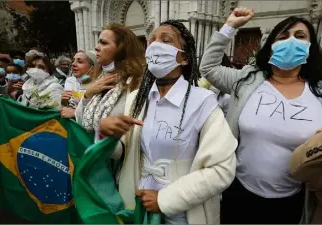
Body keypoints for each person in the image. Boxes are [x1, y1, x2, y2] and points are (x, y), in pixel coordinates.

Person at [200, 8, 322, 224]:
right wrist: (230, 27)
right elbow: (208, 68)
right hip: (238, 193)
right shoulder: (247, 80)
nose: (291, 41)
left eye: (300, 36)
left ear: (310, 48)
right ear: (271, 45)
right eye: (283, 36)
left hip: (293, 201)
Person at [99, 20, 237, 224]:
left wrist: (164, 200)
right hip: (138, 206)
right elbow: (124, 153)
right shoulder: (136, 99)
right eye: (152, 40)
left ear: (184, 58)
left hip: (183, 214)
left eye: (166, 40)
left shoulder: (202, 102)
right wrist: (106, 134)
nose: (155, 45)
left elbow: (221, 169)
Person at [75, 23, 145, 143]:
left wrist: (103, 131)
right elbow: (80, 122)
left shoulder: (135, 83)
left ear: (121, 49)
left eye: (104, 43)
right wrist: (88, 94)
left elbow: (131, 135)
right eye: (98, 42)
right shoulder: (97, 81)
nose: (96, 47)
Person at [61, 50, 98, 118]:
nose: (73, 64)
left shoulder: (99, 84)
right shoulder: (70, 81)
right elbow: (68, 107)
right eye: (73, 61)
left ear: (92, 67)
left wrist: (76, 113)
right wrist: (64, 102)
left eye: (80, 61)